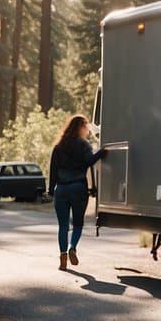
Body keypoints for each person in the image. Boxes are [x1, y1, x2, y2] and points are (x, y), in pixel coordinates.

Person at [49, 114, 106, 271]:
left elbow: (53, 170)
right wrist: (102, 152)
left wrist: (50, 191)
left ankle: (63, 257)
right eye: (86, 127)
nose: (88, 131)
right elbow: (89, 161)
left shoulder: (58, 146)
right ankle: (72, 247)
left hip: (60, 189)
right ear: (80, 127)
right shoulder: (83, 144)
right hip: (78, 188)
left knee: (63, 226)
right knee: (78, 223)